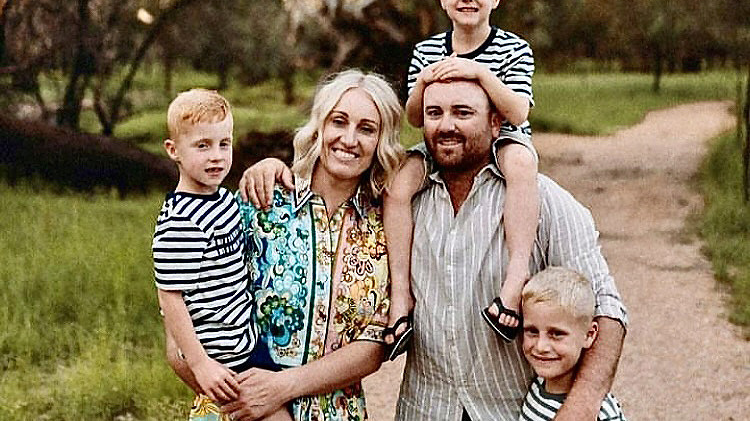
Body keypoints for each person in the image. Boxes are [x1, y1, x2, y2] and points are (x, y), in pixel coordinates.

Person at [240, 76, 628, 420]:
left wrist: (581, 405)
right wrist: (273, 166)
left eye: (463, 112)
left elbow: (606, 307)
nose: (446, 125)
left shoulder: (541, 200)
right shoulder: (398, 206)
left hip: (511, 408)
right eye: (434, 113)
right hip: (426, 408)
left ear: (496, 123)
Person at [172, 70, 405, 420]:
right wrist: (254, 405)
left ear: (381, 140)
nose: (349, 138)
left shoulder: (383, 226)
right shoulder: (258, 203)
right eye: (338, 121)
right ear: (319, 127)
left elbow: (373, 346)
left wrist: (283, 387)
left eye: (367, 129)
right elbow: (181, 337)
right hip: (240, 411)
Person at [383, 0, 539, 356]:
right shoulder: (428, 50)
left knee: (523, 162)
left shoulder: (513, 48)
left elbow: (518, 110)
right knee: (398, 186)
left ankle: (515, 275)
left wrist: (479, 73)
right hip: (444, 140)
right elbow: (416, 118)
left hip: (502, 137)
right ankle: (401, 296)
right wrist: (421, 84)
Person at [152, 89, 291, 420]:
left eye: (223, 144)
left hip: (248, 340)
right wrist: (200, 364)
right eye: (202, 145)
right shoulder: (180, 221)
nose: (216, 156)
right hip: (220, 357)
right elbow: (170, 297)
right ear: (174, 150)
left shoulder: (226, 201)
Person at [519, 267, 628, 421]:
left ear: (589, 335)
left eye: (556, 334)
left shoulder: (602, 414)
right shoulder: (537, 385)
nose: (540, 347)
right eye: (532, 331)